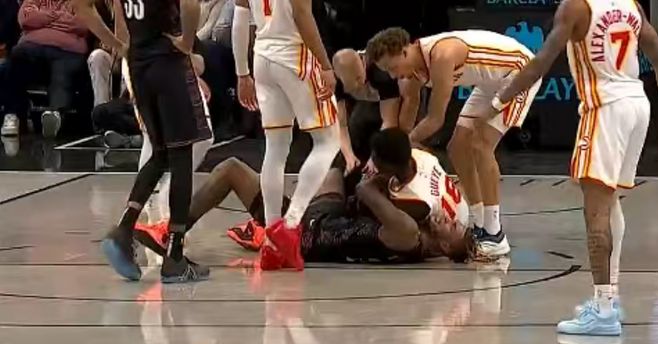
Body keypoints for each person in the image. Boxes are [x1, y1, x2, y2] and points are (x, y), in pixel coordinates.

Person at [476, 0, 658, 336]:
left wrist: (497, 102)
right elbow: (656, 52)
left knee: (596, 210)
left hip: (605, 107)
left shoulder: (575, 6)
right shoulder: (631, 4)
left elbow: (540, 62)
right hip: (637, 104)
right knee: (610, 200)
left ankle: (603, 310)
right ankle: (610, 298)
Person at [366, 28, 541, 259]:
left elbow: (436, 119)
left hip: (520, 74)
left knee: (481, 145)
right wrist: (398, 147)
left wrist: (405, 145)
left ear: (404, 51)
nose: (392, 75)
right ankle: (480, 223)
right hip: (491, 83)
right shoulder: (412, 70)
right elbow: (410, 106)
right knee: (456, 147)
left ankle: (495, 234)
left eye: (392, 67)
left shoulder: (442, 56)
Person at [74, 0, 213, 283]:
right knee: (181, 154)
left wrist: (117, 44)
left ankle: (124, 230)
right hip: (167, 63)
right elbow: (190, 4)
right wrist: (187, 42)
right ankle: (175, 256)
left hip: (137, 64)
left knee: (160, 153)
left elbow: (80, 6)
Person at [134, 157, 470, 265]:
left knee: (232, 169)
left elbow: (366, 190)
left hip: (309, 236)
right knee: (333, 159)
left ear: (443, 246)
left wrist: (382, 170)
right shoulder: (417, 230)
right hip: (330, 216)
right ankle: (261, 227)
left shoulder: (409, 234)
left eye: (453, 228)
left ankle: (170, 233)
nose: (451, 218)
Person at [232, 0, 341, 271]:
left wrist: (242, 73)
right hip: (294, 55)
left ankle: (271, 241)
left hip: (262, 56)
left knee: (276, 147)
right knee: (329, 141)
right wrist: (325, 65)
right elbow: (302, 14)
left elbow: (240, 17)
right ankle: (290, 225)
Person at [1, 0, 90, 138]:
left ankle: (55, 115)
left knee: (63, 74)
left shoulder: (79, 2)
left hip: (68, 51)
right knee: (15, 59)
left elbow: (83, 24)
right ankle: (12, 115)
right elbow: (25, 18)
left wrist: (43, 18)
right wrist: (59, 18)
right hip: (31, 47)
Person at [332, 48, 422, 174]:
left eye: (359, 78)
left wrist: (375, 158)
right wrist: (349, 156)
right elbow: (341, 125)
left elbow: (389, 121)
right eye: (351, 83)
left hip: (399, 97)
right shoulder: (335, 82)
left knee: (396, 137)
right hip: (370, 98)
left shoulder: (381, 73)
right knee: (355, 131)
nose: (357, 85)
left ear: (363, 64)